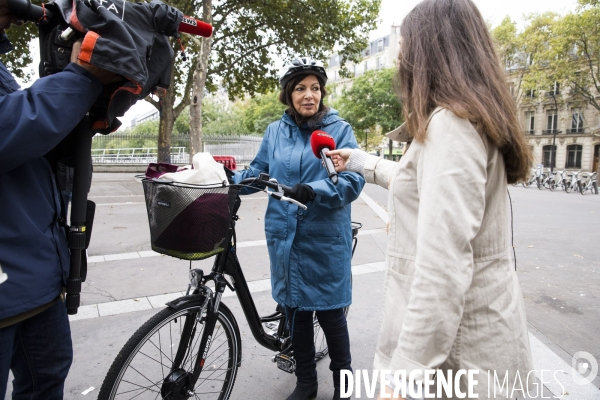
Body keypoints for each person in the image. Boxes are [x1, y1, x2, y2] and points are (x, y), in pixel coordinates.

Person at [329, 0, 534, 398]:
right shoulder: (463, 118)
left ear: (430, 53)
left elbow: (442, 266)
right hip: (474, 343)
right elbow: (420, 182)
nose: (400, 59)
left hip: (459, 359)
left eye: (406, 47)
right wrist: (358, 161)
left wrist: (405, 375)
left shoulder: (450, 127)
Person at [0, 3, 119, 397]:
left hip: (33, 275)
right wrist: (83, 77)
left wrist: (91, 107)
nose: (18, 11)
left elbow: (26, 152)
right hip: (10, 276)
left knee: (47, 378)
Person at [233, 57, 365, 400]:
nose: (309, 95)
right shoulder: (275, 131)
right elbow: (258, 172)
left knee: (332, 315)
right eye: (301, 88)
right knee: (296, 312)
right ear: (288, 94)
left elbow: (352, 181)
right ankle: (305, 383)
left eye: (315, 88)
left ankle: (344, 387)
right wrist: (223, 181)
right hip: (284, 237)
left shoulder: (339, 131)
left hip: (323, 238)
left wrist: (315, 190)